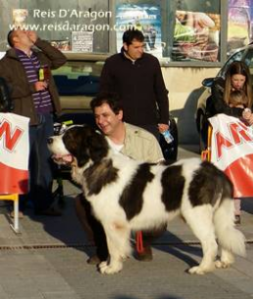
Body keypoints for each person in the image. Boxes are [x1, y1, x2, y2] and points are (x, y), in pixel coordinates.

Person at [75, 93, 165, 264]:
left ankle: (143, 242)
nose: (101, 121)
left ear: (119, 114)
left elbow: (159, 178)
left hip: (139, 200)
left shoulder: (146, 139)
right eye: (97, 117)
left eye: (105, 115)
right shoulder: (92, 143)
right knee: (81, 202)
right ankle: (102, 249)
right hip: (107, 201)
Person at [0, 29, 67, 216]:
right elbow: (5, 90)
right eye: (24, 33)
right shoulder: (7, 63)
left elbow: (60, 59)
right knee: (23, 162)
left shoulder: (40, 56)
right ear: (15, 39)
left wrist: (39, 41)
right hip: (24, 118)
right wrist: (32, 87)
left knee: (45, 161)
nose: (29, 33)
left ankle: (43, 203)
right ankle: (19, 205)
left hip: (46, 114)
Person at [207, 61, 253, 224]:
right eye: (235, 80)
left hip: (239, 138)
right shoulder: (218, 85)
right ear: (229, 78)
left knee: (237, 169)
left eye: (242, 80)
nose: (238, 84)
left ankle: (235, 210)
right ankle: (217, 206)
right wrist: (242, 111)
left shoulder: (248, 88)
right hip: (219, 134)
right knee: (220, 171)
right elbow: (220, 108)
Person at [99, 29, 170, 139]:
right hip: (121, 123)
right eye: (136, 47)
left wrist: (164, 120)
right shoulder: (112, 63)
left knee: (149, 155)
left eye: (142, 46)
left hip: (149, 123)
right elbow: (103, 94)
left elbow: (161, 92)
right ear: (126, 46)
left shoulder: (151, 62)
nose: (140, 50)